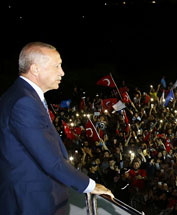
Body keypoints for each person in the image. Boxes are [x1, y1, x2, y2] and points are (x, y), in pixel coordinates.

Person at [0, 42, 113, 214]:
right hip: (32, 203)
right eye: (57, 66)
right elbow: (50, 160)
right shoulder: (24, 102)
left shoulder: (19, 95)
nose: (62, 72)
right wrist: (90, 185)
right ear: (35, 69)